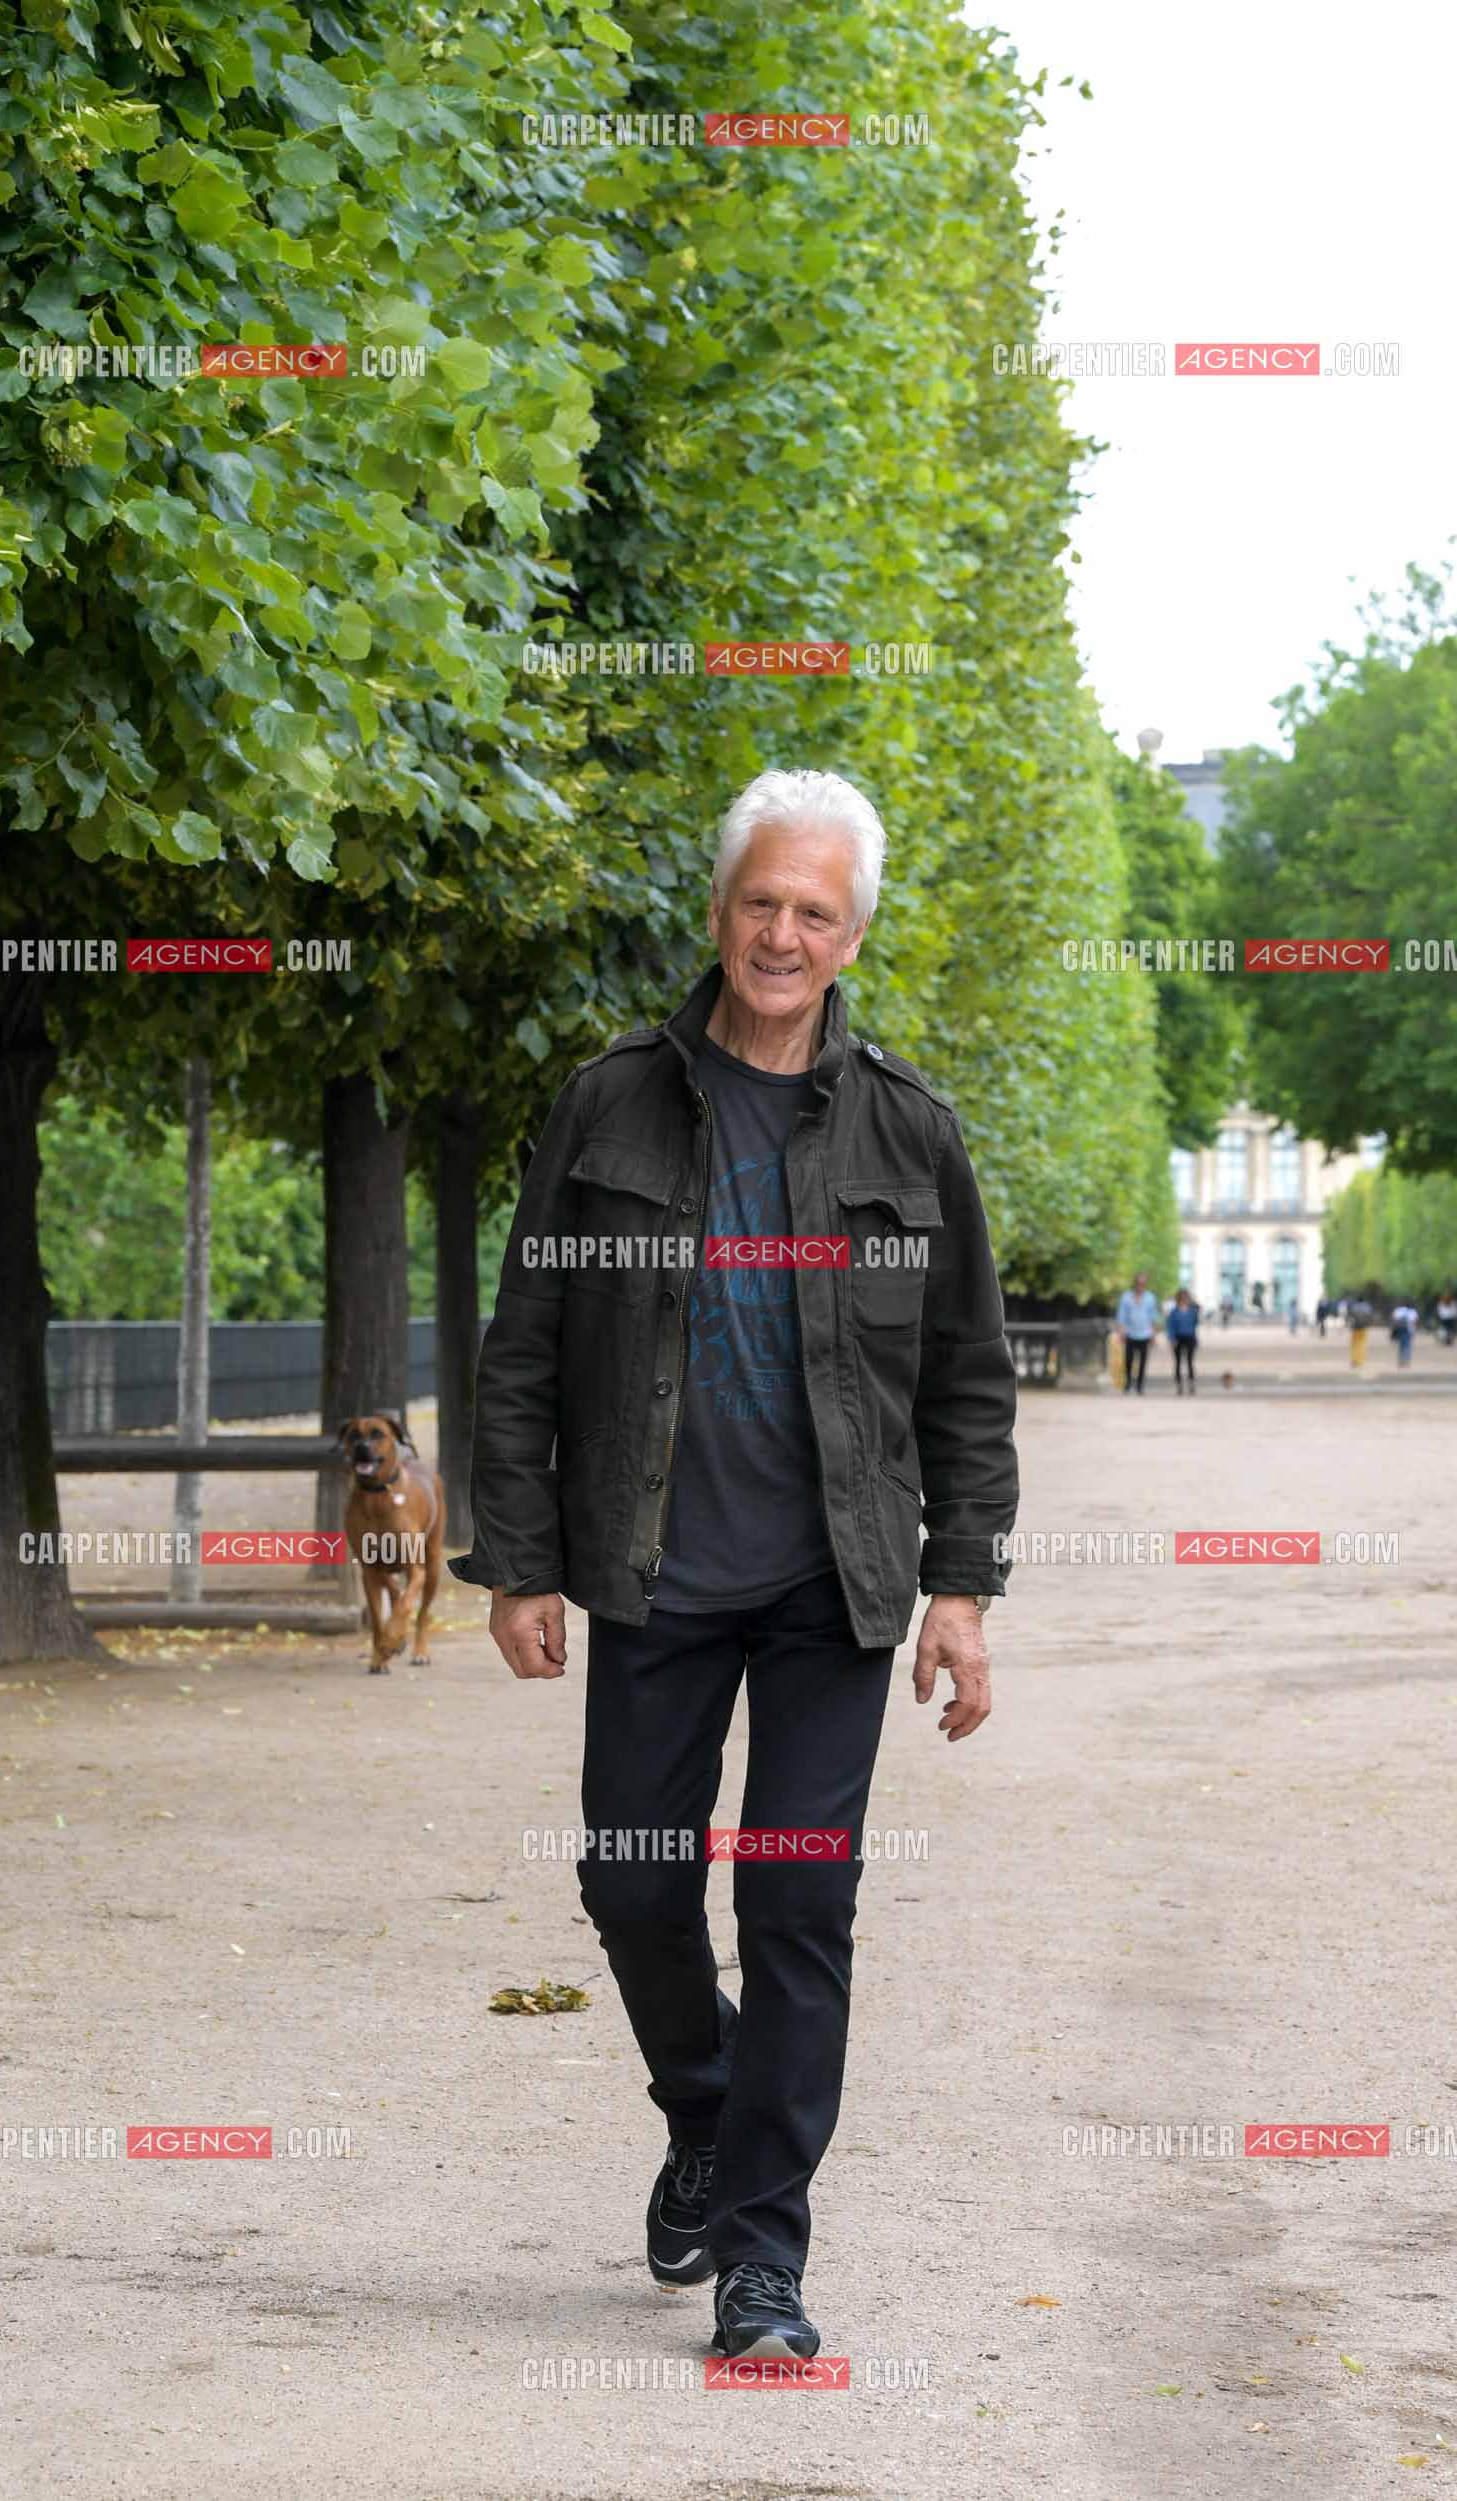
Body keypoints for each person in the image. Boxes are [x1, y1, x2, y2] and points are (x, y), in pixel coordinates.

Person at [454, 768, 1019, 2366]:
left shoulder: (912, 1127)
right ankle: (702, 2114)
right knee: (632, 1879)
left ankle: (764, 2250)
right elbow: (527, 1342)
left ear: (853, 936)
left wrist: (961, 1591)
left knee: (795, 1900)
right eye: (762, 901)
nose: (783, 932)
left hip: (834, 1581)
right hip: (649, 1568)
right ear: (719, 909)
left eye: (816, 912)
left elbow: (969, 1377)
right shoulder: (609, 1099)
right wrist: (517, 1558)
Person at [1115, 1272, 1160, 1393]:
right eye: (1139, 1283)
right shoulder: (1126, 1297)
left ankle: (1140, 1385)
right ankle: (1128, 1382)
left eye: (1143, 1283)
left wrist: (1153, 1335)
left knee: (1143, 1361)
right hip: (1130, 1333)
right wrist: (1121, 1332)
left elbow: (1153, 1317)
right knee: (1128, 1360)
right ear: (1135, 1283)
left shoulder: (1150, 1297)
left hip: (1145, 1333)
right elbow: (1121, 1316)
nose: (1140, 1285)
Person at [1166, 1287, 1199, 1394]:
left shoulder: (1192, 1312)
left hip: (1190, 1338)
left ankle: (1191, 1383)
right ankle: (1179, 1385)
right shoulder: (1174, 1312)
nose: (1184, 1299)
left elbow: (1194, 1325)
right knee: (1178, 1362)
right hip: (1178, 1338)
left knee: (1190, 1362)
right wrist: (1171, 1339)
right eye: (1182, 1297)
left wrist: (1195, 1339)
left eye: (1186, 1297)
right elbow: (1170, 1326)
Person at [1347, 1294, 1373, 1370]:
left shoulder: (1353, 1307)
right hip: (1364, 1328)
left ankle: (1354, 1361)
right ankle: (1361, 1361)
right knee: (1362, 1344)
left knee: (1354, 1345)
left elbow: (1350, 1316)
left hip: (1355, 1327)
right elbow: (1370, 1316)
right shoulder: (1367, 1307)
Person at [1391, 1297, 1419, 1367]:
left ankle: (1401, 1360)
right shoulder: (1413, 1312)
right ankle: (1407, 1360)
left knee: (1401, 1345)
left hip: (1400, 1329)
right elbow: (1415, 1321)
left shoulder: (1398, 1310)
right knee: (1408, 1345)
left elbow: (1394, 1318)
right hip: (1410, 1330)